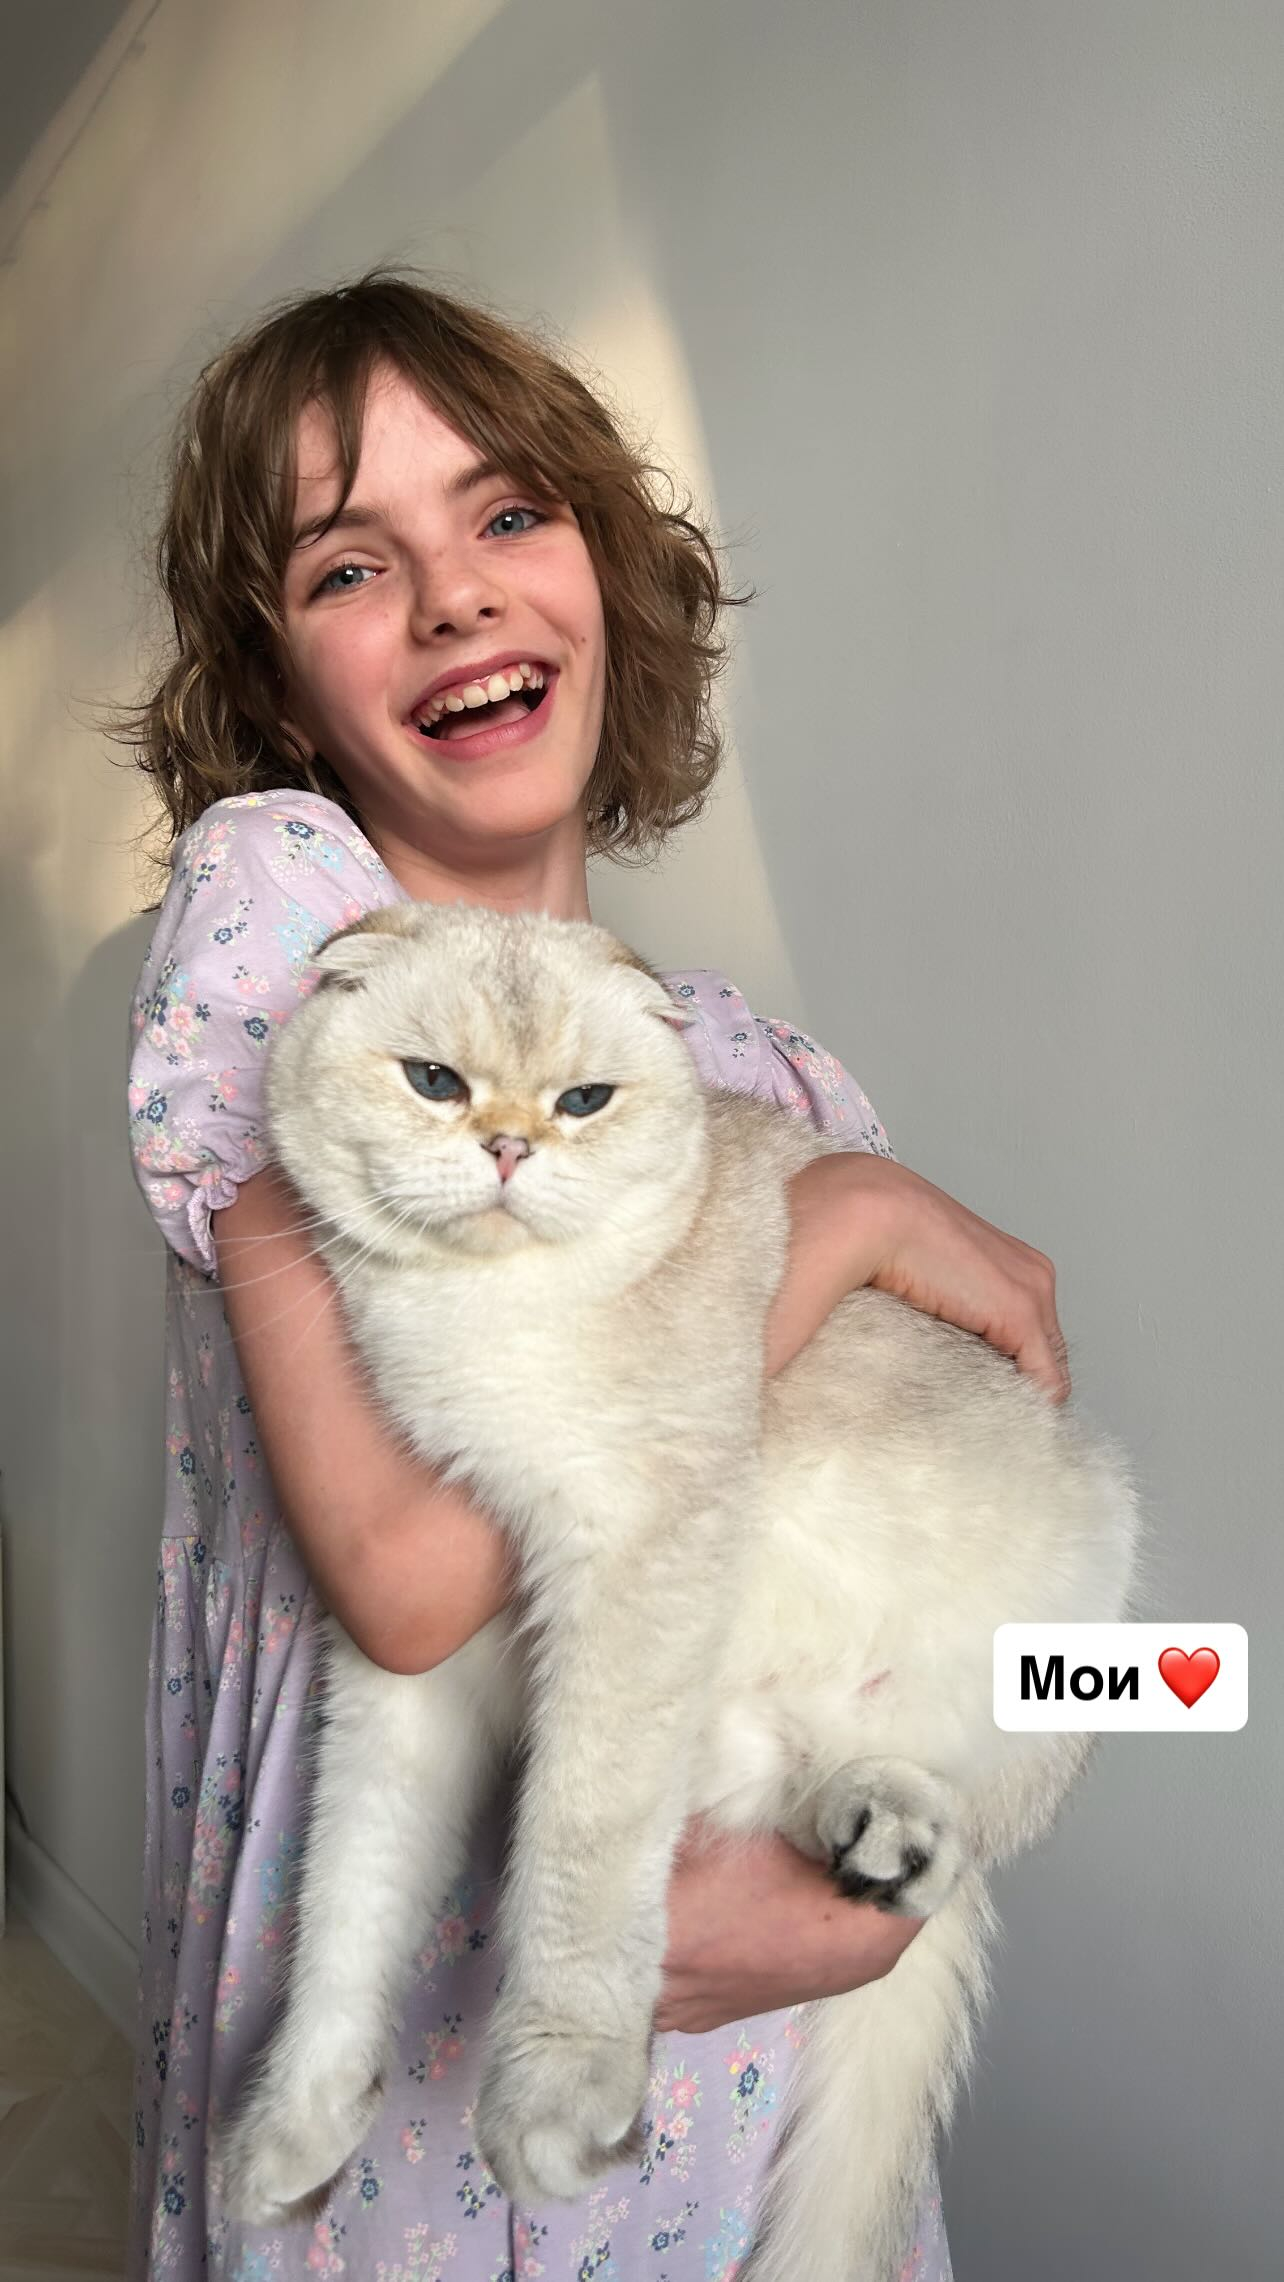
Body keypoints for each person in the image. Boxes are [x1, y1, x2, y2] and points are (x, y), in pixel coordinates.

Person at [123, 272, 1068, 2281]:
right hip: (414, 2100)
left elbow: (986, 1573)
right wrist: (838, 1225)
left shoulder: (776, 1080)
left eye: (508, 513)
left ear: (611, 578)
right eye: (351, 563)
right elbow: (406, 1587)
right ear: (280, 691)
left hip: (741, 2059)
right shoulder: (296, 925)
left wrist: (890, 1881)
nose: (453, 594)